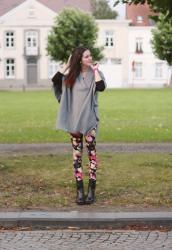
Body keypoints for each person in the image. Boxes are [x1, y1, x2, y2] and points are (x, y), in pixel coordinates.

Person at [52, 46, 106, 205]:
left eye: (90, 56)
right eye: (86, 57)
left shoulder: (96, 74)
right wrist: (67, 66)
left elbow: (101, 87)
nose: (90, 58)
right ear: (79, 59)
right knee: (77, 157)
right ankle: (80, 191)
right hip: (74, 122)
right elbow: (55, 81)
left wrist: (95, 70)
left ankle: (91, 191)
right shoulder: (70, 76)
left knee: (92, 156)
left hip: (89, 121)